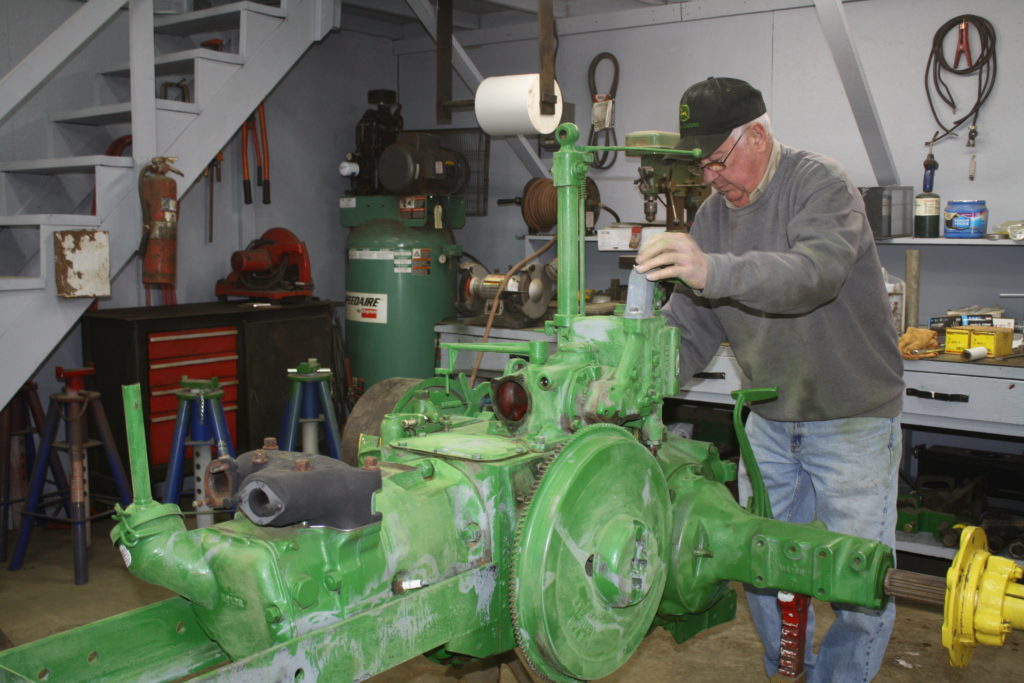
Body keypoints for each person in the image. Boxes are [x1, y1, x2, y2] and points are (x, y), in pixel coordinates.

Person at [635, 77, 904, 682]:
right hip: (771, 427)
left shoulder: (820, 185)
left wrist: (714, 269)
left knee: (858, 581)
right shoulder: (711, 216)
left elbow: (815, 274)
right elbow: (692, 325)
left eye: (718, 160)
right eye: (699, 164)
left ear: (757, 134)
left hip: (852, 419)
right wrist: (634, 391)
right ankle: (788, 673)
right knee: (760, 569)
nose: (710, 177)